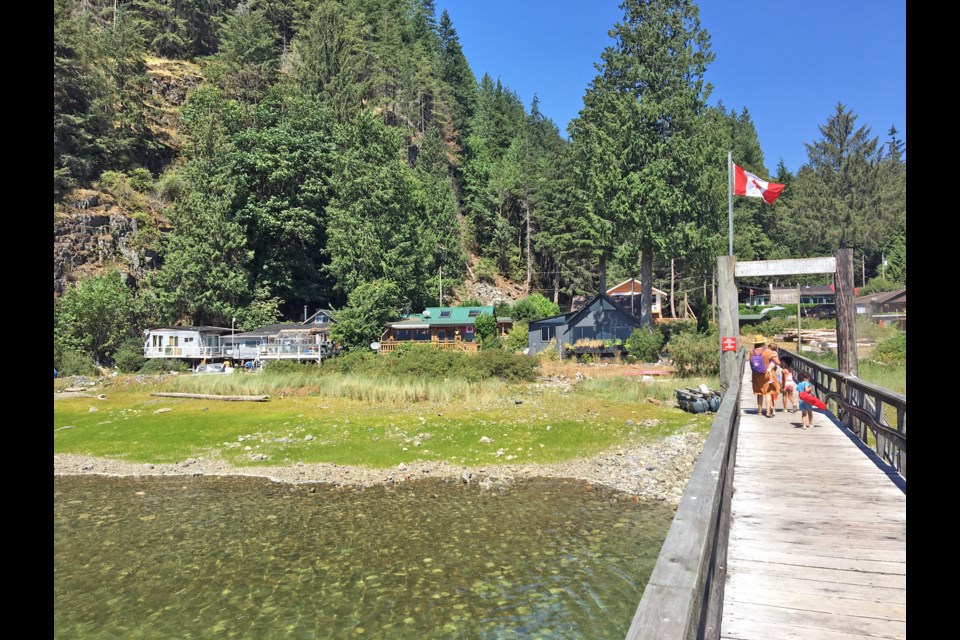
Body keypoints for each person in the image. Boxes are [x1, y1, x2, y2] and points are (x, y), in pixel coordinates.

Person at [750, 336, 781, 418]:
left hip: (756, 374)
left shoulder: (752, 352)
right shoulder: (768, 351)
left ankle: (759, 411)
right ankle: (768, 412)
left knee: (759, 393)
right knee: (768, 393)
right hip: (767, 374)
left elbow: (751, 363)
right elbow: (777, 362)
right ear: (763, 343)